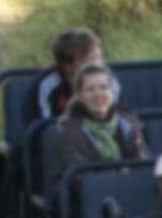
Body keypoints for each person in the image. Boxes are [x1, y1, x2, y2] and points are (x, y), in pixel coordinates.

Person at [54, 62, 147, 193]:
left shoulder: (129, 123)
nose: (98, 94)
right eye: (90, 89)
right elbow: (80, 180)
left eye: (103, 87)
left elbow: (142, 163)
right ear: (79, 95)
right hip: (89, 199)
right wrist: (120, 180)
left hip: (131, 191)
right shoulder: (68, 133)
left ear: (112, 92)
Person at [35, 28, 103, 123]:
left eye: (99, 58)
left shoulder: (108, 81)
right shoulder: (47, 84)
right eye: (90, 60)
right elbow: (43, 125)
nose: (97, 64)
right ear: (67, 65)